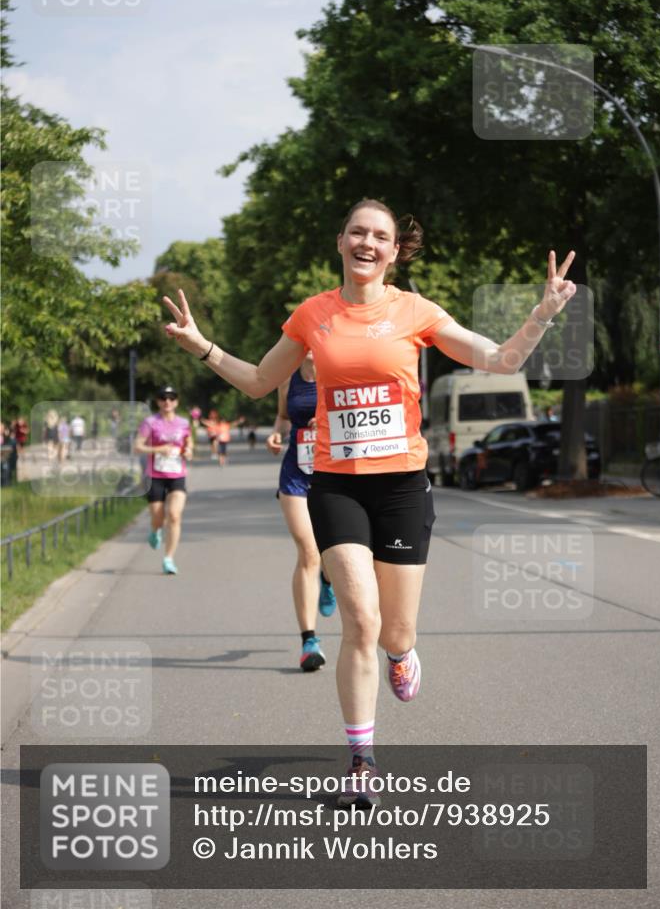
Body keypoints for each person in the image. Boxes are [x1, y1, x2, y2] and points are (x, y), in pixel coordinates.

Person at [163, 198, 576, 805]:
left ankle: (404, 654)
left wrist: (541, 313)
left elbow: (501, 359)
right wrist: (201, 345)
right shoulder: (312, 315)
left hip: (402, 486)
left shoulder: (415, 311)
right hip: (337, 484)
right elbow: (258, 381)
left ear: (392, 250)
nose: (368, 242)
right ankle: (362, 761)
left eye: (379, 235)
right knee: (360, 620)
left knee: (394, 632)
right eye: (358, 231)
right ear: (340, 241)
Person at [266, 350, 337, 672]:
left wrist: (324, 422)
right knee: (308, 551)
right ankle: (309, 641)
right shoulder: (288, 378)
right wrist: (276, 434)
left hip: (333, 472)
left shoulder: (336, 373)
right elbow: (283, 417)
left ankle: (328, 578)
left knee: (328, 551)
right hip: (295, 472)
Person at [134, 384, 193, 575]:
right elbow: (137, 446)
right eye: (163, 398)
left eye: (171, 398)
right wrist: (158, 449)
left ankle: (168, 559)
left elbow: (188, 442)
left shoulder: (184, 423)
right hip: (155, 476)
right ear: (158, 402)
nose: (167, 401)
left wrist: (189, 451)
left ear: (176, 402)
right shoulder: (150, 422)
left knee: (174, 516)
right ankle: (155, 530)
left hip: (177, 475)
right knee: (158, 518)